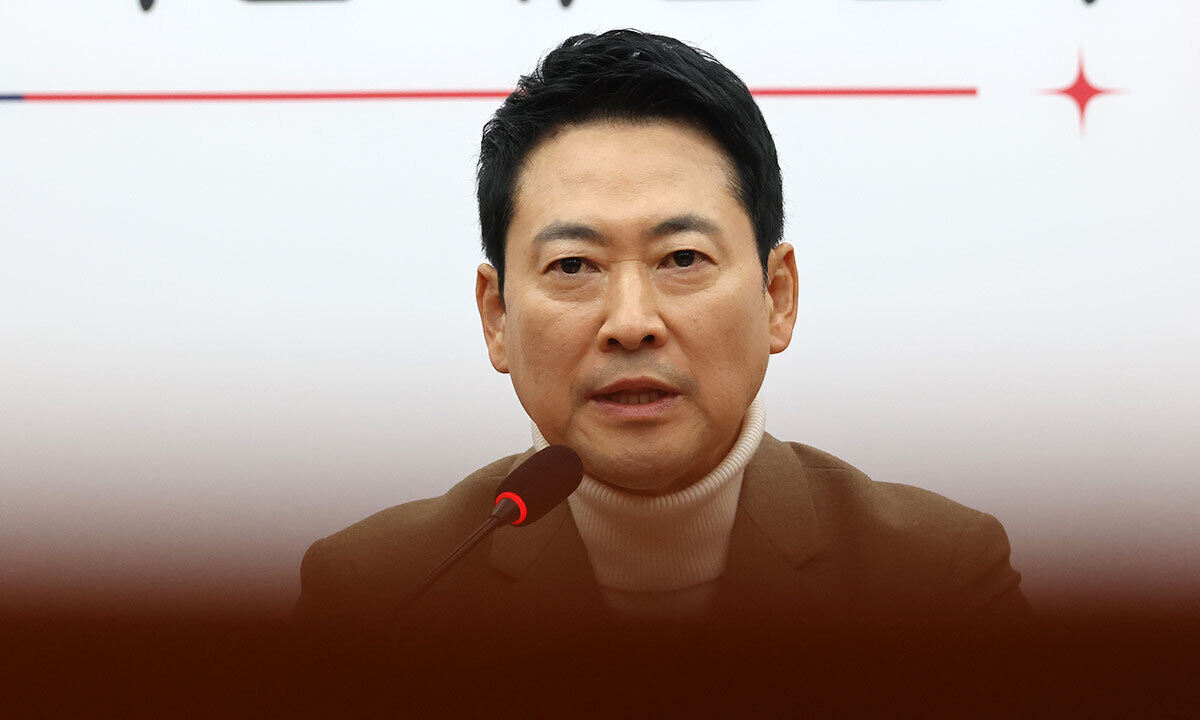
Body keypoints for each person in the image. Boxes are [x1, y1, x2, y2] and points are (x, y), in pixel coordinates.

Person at [295, 29, 1031, 651]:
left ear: (777, 296)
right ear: (497, 317)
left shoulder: (936, 580)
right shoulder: (378, 597)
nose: (631, 322)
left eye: (682, 258)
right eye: (573, 265)